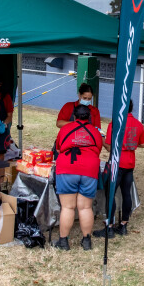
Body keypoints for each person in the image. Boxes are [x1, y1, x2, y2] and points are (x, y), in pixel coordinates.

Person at [52, 104, 103, 251]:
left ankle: (63, 242)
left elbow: (59, 148)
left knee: (68, 207)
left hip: (67, 167)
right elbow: (98, 149)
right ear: (89, 117)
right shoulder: (95, 132)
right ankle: (86, 241)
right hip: (89, 168)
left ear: (74, 116)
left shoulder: (65, 129)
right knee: (85, 207)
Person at [95, 100, 144, 238]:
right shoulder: (138, 124)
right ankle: (123, 225)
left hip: (117, 163)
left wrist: (102, 138)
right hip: (130, 163)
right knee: (126, 193)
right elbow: (143, 144)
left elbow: (109, 147)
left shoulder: (114, 124)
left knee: (110, 193)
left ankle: (109, 226)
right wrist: (130, 144)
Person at [0, 75, 15, 184]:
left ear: (0, 84)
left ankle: (0, 183)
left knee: (0, 156)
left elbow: (10, 116)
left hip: (1, 131)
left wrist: (4, 124)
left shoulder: (6, 97)